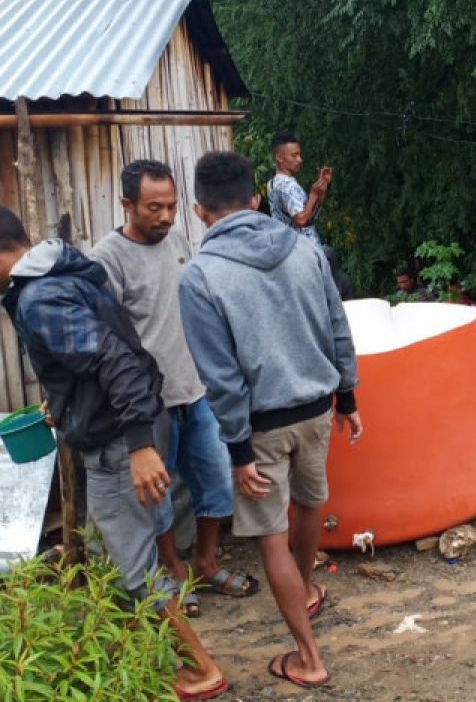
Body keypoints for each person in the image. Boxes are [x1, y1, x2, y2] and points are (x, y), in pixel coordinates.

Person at [0, 207, 229, 701]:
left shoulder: (40, 297)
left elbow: (116, 360)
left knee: (132, 566)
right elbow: (95, 358)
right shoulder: (63, 271)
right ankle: (151, 655)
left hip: (119, 442)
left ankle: (200, 670)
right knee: (122, 556)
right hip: (123, 428)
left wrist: (141, 446)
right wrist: (65, 402)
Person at [178, 151, 363, 690]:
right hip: (316, 411)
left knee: (269, 538)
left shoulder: (201, 278)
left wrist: (237, 451)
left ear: (198, 210)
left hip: (260, 425)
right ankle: (303, 593)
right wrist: (348, 398)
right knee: (309, 506)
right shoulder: (306, 251)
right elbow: (338, 326)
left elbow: (221, 377)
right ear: (256, 199)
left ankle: (307, 656)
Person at [90, 160, 258, 613]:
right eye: (153, 208)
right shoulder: (107, 259)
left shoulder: (178, 240)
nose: (165, 217)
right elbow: (107, 343)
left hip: (196, 391)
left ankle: (206, 562)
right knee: (157, 498)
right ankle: (172, 571)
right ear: (127, 204)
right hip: (150, 405)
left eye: (172, 206)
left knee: (217, 482)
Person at [267, 131, 331, 244]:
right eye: (294, 155)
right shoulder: (287, 185)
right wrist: (314, 194)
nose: (300, 160)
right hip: (302, 250)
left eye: (299, 155)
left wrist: (320, 190)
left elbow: (309, 217)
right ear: (279, 157)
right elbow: (301, 220)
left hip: (285, 245)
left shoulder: (272, 183)